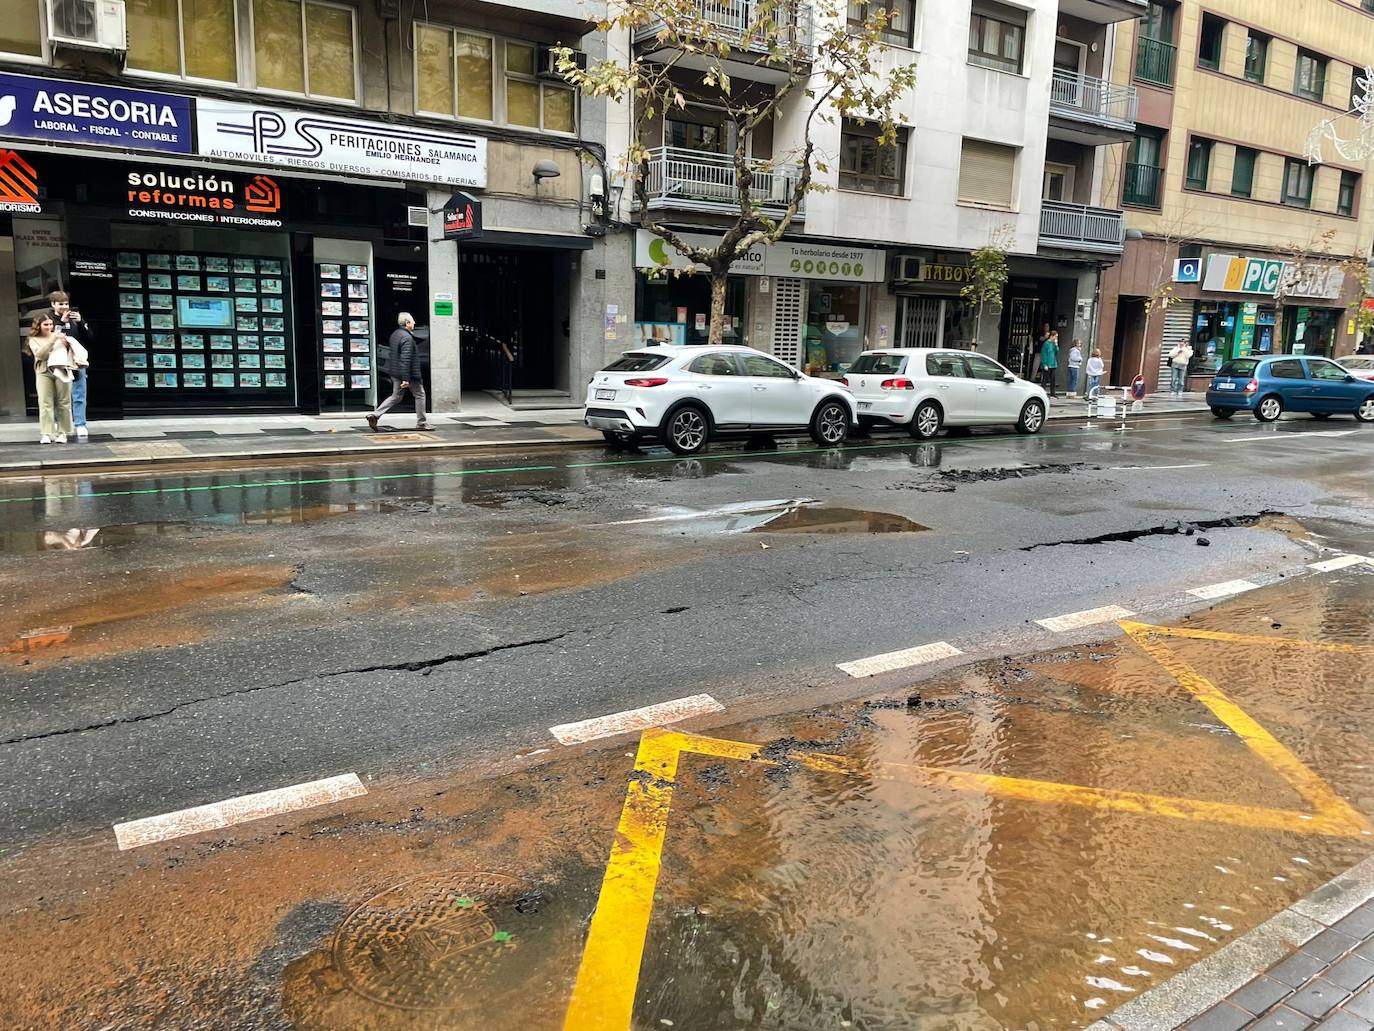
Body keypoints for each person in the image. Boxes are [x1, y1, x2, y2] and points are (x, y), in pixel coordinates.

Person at [366, 312, 431, 431]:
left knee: (396, 396)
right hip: (409, 374)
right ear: (407, 323)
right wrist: (405, 379)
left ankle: (375, 415)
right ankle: (422, 423)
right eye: (412, 321)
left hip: (395, 372)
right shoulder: (407, 337)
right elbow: (405, 359)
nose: (414, 323)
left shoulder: (396, 334)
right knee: (420, 395)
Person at [44, 291, 94, 440]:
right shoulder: (47, 319)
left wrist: (81, 322)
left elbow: (89, 338)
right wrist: (60, 322)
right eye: (60, 304)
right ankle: (57, 425)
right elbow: (48, 338)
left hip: (75, 361)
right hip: (57, 361)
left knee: (79, 394)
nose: (64, 307)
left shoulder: (75, 318)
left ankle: (80, 424)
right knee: (58, 396)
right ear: (53, 304)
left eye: (66, 304)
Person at [24, 313, 77, 444]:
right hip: (43, 371)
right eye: (45, 324)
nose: (49, 327)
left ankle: (63, 432)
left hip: (61, 369)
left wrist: (66, 344)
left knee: (64, 402)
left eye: (50, 324)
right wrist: (51, 340)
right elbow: (41, 355)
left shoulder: (60, 335)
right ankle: (46, 433)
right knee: (45, 402)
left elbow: (69, 351)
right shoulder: (33, 339)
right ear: (39, 326)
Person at [1039, 331, 1059, 397]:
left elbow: (1057, 351)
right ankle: (1042, 392)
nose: (1056, 338)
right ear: (1052, 336)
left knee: (1053, 379)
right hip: (1047, 364)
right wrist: (1044, 364)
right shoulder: (1046, 344)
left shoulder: (1053, 344)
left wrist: (1056, 345)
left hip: (1053, 363)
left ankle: (1052, 393)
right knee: (1045, 379)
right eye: (1055, 336)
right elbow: (1044, 354)